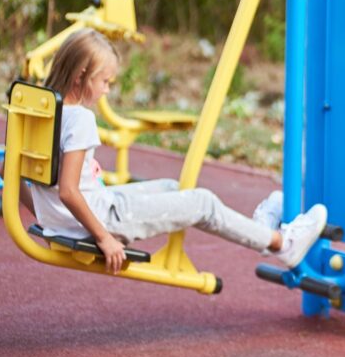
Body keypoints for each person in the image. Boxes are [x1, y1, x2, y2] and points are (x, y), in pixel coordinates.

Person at [28, 28, 327, 275]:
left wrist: (49, 217)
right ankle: (281, 243)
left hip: (93, 209)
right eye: (104, 81)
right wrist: (103, 238)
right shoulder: (79, 118)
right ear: (81, 75)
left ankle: (257, 230)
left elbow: (9, 173)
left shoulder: (40, 110)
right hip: (104, 219)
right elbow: (68, 190)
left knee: (176, 188)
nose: (107, 90)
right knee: (203, 202)